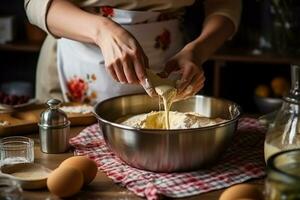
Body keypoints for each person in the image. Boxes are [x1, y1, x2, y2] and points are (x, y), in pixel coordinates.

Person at [25, 0, 241, 104]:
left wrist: (197, 50)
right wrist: (102, 31)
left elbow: (225, 6)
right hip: (73, 65)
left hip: (169, 58)